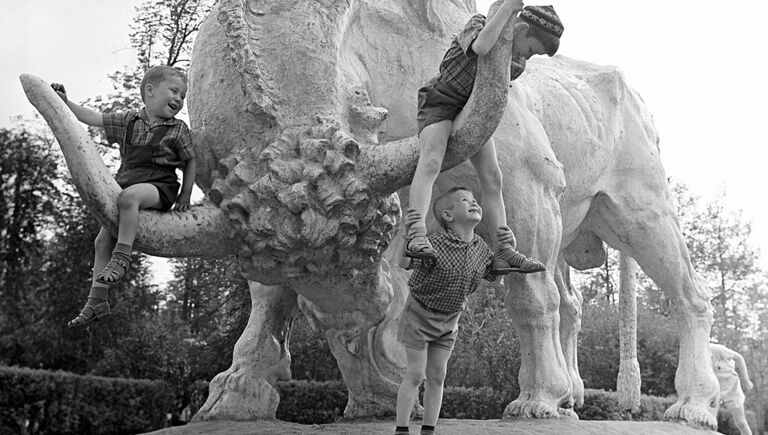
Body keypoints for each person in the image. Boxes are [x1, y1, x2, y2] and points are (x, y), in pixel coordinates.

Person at [404, 1, 564, 276]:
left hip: (473, 112)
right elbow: (480, 48)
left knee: (493, 176)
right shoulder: (479, 24)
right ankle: (415, 233)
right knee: (431, 160)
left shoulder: (516, 62)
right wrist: (505, 10)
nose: (527, 58)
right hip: (441, 103)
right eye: (530, 49)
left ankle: (503, 249)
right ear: (522, 28)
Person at [51, 65, 197, 328]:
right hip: (127, 184)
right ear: (149, 91)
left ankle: (122, 258)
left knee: (128, 198)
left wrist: (185, 194)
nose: (178, 99)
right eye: (174, 91)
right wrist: (64, 102)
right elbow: (91, 117)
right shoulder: (128, 120)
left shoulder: (178, 129)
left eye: (182, 96)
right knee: (100, 241)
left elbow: (190, 161)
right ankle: (96, 302)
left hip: (159, 186)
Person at [395, 187, 514, 435]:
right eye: (465, 200)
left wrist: (508, 248)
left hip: (449, 320)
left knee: (438, 375)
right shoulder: (435, 243)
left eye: (474, 200)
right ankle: (402, 429)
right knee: (416, 374)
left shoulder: (481, 249)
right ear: (448, 216)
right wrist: (406, 234)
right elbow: (404, 262)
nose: (474, 203)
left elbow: (497, 275)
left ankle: (428, 430)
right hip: (419, 314)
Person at [710, 342, 754, 435]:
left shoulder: (718, 350)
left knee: (741, 422)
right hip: (715, 389)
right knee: (710, 419)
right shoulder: (696, 358)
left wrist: (746, 380)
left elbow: (739, 358)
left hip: (732, 386)